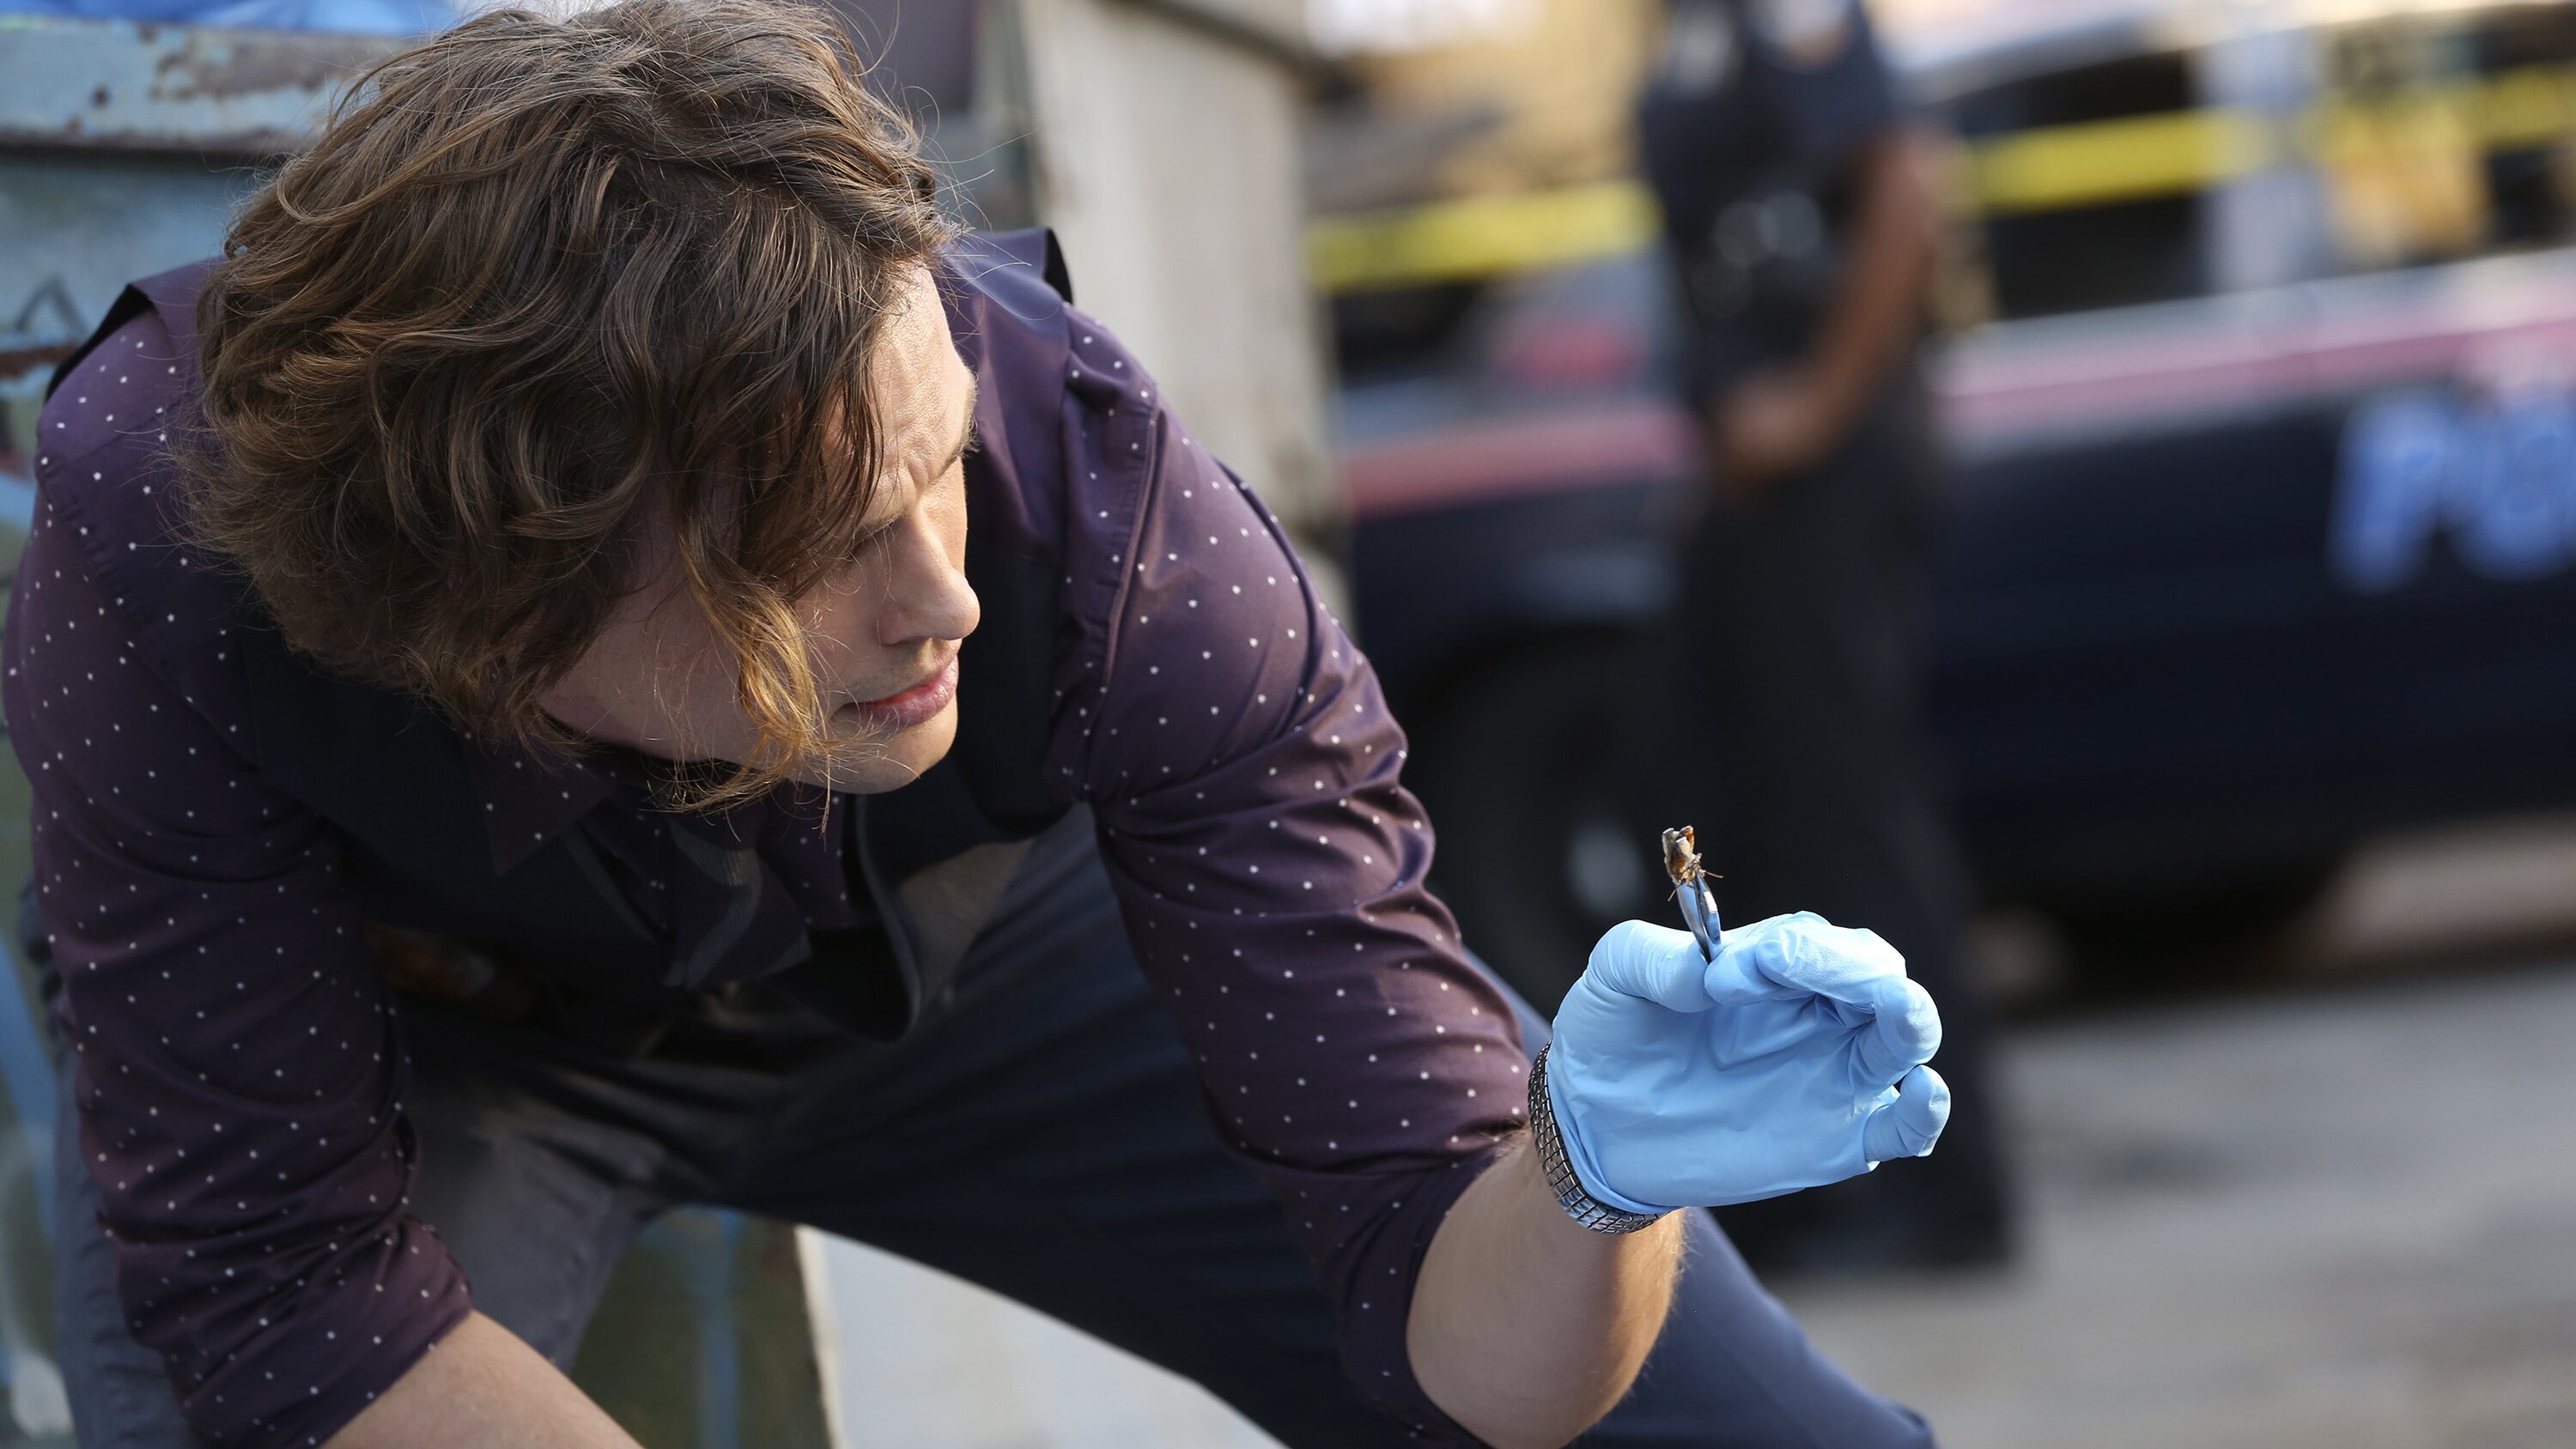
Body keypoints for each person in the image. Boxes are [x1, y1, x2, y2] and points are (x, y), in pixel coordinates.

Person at [15, 3, 1953, 1445]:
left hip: (995, 947)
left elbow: (1495, 1363)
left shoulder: (1103, 492)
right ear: (501, 604)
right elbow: (288, 1298)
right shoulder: (157, 528)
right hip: (437, 1037)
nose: (942, 594)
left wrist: (1586, 1182)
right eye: (812, 545)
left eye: (935, 466)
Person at [1635, 0, 2013, 1272]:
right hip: (1755, 491)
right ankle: (1791, 1188)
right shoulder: (1684, 25)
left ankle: (1940, 1188)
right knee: (1724, 813)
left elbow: (1905, 184)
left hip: (1828, 476)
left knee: (1848, 818)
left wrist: (1812, 407)